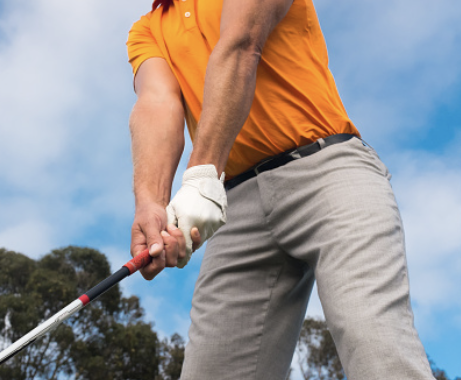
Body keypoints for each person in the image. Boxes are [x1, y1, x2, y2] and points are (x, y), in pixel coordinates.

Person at [126, 0, 435, 379]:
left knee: (372, 339)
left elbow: (243, 42)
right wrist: (151, 204)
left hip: (329, 173)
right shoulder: (147, 29)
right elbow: (158, 102)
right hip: (235, 205)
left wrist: (202, 174)